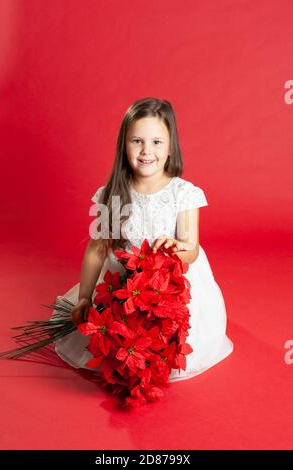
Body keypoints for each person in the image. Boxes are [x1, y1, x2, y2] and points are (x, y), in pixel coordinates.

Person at [50, 97, 233, 382]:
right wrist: (85, 296)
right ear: (124, 145)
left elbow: (191, 250)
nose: (147, 151)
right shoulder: (112, 194)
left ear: (171, 146)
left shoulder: (183, 194)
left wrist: (175, 250)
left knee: (164, 338)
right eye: (137, 141)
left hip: (168, 287)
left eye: (157, 142)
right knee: (114, 337)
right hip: (123, 283)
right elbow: (97, 249)